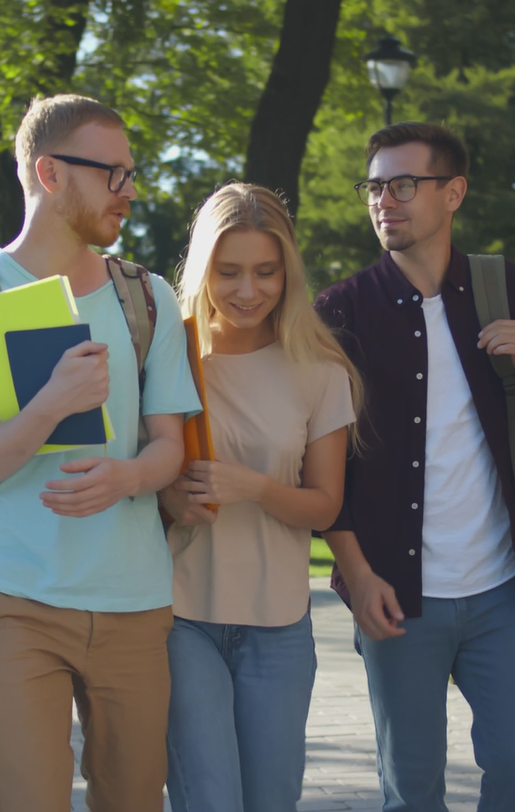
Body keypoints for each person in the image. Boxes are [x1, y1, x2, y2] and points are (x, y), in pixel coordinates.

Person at [0, 93, 200, 811]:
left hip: (136, 601)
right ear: (49, 173)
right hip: (17, 599)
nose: (130, 191)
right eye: (114, 174)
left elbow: (170, 449)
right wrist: (52, 402)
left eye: (132, 173)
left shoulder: (149, 298)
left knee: (133, 799)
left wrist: (127, 476)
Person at [312, 122, 515, 812]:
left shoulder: (511, 289)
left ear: (454, 192)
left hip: (502, 590)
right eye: (374, 186)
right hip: (396, 595)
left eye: (404, 184)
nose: (385, 200)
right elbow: (316, 463)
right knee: (412, 793)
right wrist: (356, 572)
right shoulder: (339, 312)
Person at [158, 182, 360, 812]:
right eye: (230, 272)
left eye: (266, 272)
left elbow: (325, 506)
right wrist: (169, 496)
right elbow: (142, 471)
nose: (248, 291)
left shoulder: (320, 371)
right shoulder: (169, 358)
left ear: (288, 272)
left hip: (279, 627)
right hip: (180, 618)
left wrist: (256, 488)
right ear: (203, 269)